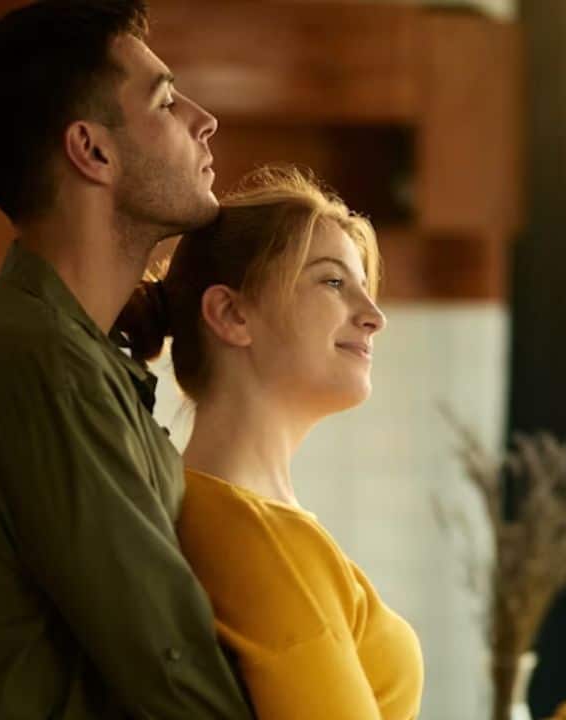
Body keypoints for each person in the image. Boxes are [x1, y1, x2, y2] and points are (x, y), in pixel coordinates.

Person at [0, 1, 254, 717]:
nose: (206, 119)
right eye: (167, 101)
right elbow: (173, 669)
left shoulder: (61, 349)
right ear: (92, 151)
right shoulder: (43, 364)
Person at [115, 166, 425, 719]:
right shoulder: (256, 534)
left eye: (362, 285)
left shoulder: (232, 514)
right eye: (333, 282)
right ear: (232, 314)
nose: (373, 316)